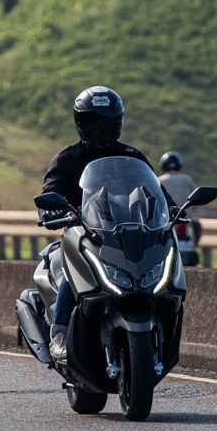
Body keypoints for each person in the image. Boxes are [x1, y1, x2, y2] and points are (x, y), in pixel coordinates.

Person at [40, 86, 151, 362]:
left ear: (119, 122)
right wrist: (51, 211)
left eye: (109, 122)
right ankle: (60, 331)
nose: (102, 129)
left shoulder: (132, 158)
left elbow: (155, 192)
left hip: (124, 238)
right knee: (72, 270)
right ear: (80, 123)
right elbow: (49, 191)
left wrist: (172, 208)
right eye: (94, 122)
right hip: (84, 236)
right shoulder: (67, 159)